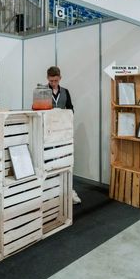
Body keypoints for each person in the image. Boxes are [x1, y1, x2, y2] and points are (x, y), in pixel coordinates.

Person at [46, 66, 79, 203]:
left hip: (62, 133)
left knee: (64, 161)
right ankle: (51, 192)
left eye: (56, 80)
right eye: (51, 80)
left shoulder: (65, 92)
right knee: (50, 162)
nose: (54, 83)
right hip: (48, 133)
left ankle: (68, 191)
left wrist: (64, 115)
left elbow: (71, 109)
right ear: (47, 78)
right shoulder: (42, 91)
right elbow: (36, 109)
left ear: (60, 78)